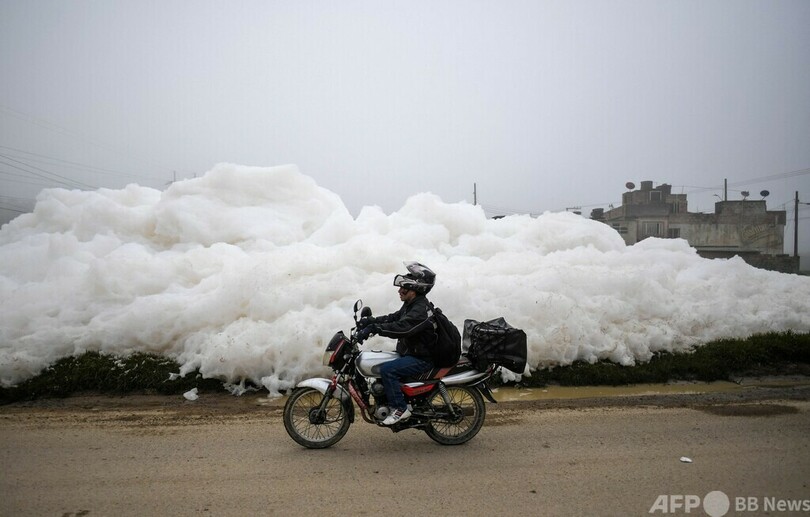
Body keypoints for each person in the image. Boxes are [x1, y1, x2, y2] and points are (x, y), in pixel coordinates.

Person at [356, 262, 437, 425]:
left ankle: (400, 408)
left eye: (404, 288)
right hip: (411, 352)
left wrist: (375, 328)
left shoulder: (420, 310)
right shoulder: (412, 304)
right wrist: (372, 321)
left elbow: (402, 328)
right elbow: (395, 318)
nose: (400, 291)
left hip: (422, 358)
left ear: (415, 289)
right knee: (378, 362)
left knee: (388, 370)